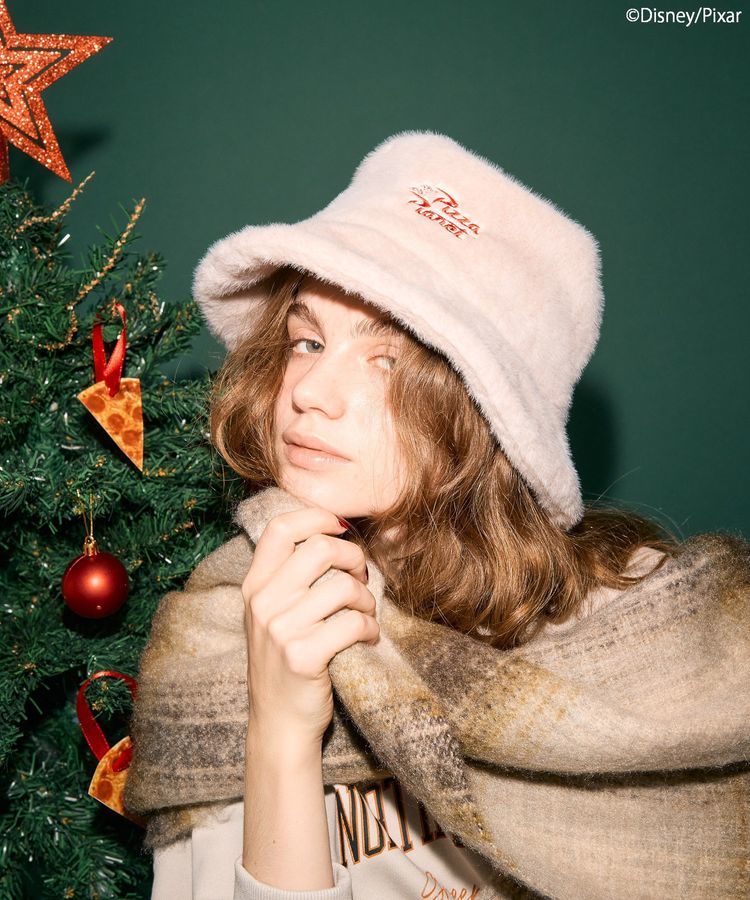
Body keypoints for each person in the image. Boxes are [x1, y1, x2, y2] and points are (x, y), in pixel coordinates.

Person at [126, 132, 749, 899]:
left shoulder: (653, 637)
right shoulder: (226, 636)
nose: (309, 392)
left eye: (386, 361)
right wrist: (278, 734)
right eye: (307, 341)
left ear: (483, 413)